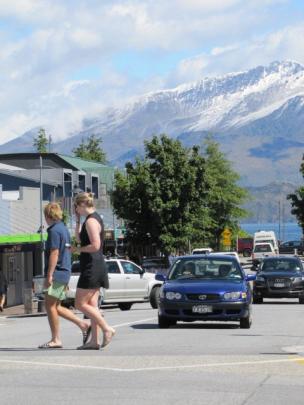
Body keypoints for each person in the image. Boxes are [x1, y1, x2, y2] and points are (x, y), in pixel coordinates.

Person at [39, 202, 90, 349]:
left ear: (48, 215)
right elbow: (67, 252)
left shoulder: (54, 231)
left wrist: (49, 275)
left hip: (57, 273)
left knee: (49, 306)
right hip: (64, 272)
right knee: (57, 306)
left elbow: (54, 253)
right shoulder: (64, 229)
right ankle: (83, 324)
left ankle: (56, 339)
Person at [73, 192, 115, 350]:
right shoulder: (91, 219)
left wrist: (78, 250)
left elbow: (96, 245)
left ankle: (107, 329)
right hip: (94, 265)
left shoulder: (91, 221)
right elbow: (78, 238)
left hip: (92, 266)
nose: (76, 210)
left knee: (79, 303)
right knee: (92, 305)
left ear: (82, 205)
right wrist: (77, 221)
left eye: (76, 207)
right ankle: (94, 341)